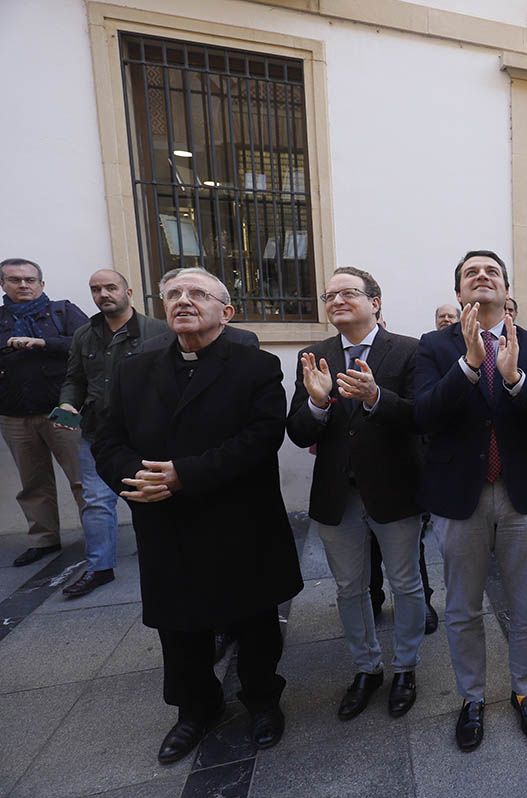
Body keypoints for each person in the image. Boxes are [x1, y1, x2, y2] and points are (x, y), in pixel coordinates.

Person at [93, 267, 302, 764]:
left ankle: (262, 701)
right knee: (179, 624)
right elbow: (107, 440)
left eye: (198, 294)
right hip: (166, 520)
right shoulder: (133, 370)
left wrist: (185, 474)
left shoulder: (257, 367)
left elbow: (261, 437)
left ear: (226, 312)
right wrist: (135, 479)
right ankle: (195, 709)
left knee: (253, 621)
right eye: (175, 294)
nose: (184, 301)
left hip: (237, 516)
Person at [415, 250, 527, 751]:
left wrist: (515, 379)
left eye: (492, 272)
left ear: (506, 291)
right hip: (460, 497)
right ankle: (472, 697)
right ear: (459, 293)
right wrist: (467, 366)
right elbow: (424, 416)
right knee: (461, 608)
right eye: (470, 273)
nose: (482, 278)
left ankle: (525, 691)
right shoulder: (434, 347)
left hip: (521, 494)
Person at [286, 266, 427, 722]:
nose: (337, 301)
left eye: (348, 292)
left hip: (394, 490)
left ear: (375, 301)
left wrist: (374, 397)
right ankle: (366, 668)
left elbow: (421, 417)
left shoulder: (408, 350)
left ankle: (405, 667)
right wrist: (318, 402)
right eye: (329, 295)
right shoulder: (314, 355)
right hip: (336, 494)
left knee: (406, 585)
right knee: (349, 588)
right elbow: (297, 430)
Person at [56, 269, 168, 597]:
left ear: (127, 291)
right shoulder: (84, 335)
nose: (104, 294)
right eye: (96, 289)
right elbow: (74, 379)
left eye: (110, 287)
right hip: (97, 432)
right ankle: (99, 568)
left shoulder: (157, 331)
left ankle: (162, 560)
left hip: (143, 434)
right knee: (95, 500)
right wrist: (67, 405)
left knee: (147, 499)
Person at [0, 258, 89, 567]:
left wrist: (41, 342)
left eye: (29, 279)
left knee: (81, 476)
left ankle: (96, 534)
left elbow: (84, 342)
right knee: (33, 481)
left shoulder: (62, 311)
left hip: (63, 409)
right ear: (3, 284)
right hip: (15, 414)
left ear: (41, 284)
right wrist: (9, 342)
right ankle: (44, 539)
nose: (23, 285)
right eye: (15, 280)